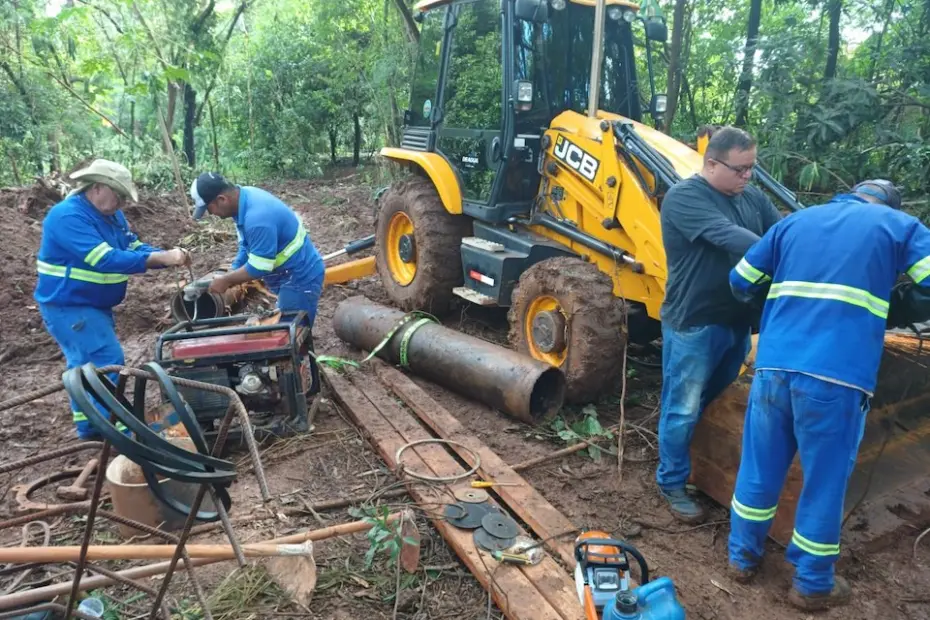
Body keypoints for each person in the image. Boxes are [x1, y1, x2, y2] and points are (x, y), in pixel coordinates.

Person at [726, 179, 930, 610]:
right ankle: (812, 583)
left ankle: (741, 558)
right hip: (837, 376)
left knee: (759, 468)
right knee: (825, 482)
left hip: (774, 366)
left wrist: (784, 309)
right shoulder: (901, 227)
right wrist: (900, 306)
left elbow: (740, 280)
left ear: (852, 194)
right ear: (887, 203)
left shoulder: (794, 221)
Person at [657, 126, 782, 523]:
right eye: (740, 170)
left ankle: (690, 456)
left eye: (752, 169)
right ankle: (671, 482)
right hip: (695, 321)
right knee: (681, 407)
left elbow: (781, 230)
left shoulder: (752, 196)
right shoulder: (685, 197)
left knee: (709, 397)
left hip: (736, 321)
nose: (748, 177)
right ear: (712, 164)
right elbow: (733, 237)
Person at [35, 159, 191, 440]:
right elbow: (103, 259)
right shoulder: (67, 217)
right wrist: (159, 258)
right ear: (96, 188)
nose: (120, 202)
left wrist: (164, 255)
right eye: (117, 195)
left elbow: (133, 247)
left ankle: (90, 426)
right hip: (70, 305)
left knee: (83, 366)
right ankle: (115, 429)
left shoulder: (113, 217)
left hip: (90, 304)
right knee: (107, 359)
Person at [189, 173, 325, 327]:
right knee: (288, 330)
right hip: (288, 275)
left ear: (222, 199)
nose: (211, 213)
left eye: (209, 209)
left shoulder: (257, 218)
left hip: (300, 277)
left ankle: (302, 351)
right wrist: (233, 270)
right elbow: (247, 246)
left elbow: (259, 267)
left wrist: (227, 281)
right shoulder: (243, 201)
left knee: (291, 335)